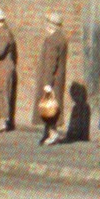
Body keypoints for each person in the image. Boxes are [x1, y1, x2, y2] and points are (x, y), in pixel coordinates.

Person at [35, 13, 69, 145]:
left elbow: (50, 63)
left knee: (49, 106)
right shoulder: (62, 38)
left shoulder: (51, 40)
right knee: (53, 105)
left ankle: (53, 133)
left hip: (50, 79)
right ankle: (48, 132)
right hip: (58, 79)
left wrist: (47, 84)